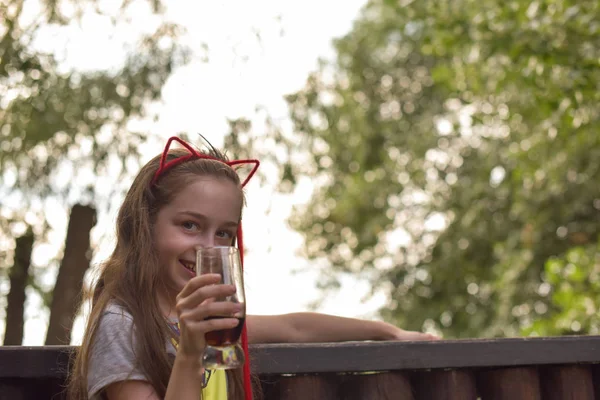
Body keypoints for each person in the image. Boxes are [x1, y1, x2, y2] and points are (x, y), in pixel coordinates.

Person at [66, 136, 438, 400]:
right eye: (190, 225)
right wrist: (192, 351)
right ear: (145, 225)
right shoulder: (123, 324)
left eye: (224, 233)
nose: (209, 247)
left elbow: (294, 327)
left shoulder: (207, 322)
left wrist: (387, 332)